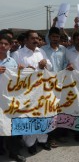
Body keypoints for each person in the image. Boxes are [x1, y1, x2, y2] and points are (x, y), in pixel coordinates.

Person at [12, 30, 52, 155]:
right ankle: (30, 143)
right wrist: (23, 70)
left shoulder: (41, 52)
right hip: (26, 92)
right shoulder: (18, 54)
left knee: (43, 115)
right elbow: (13, 74)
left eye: (37, 38)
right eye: (33, 38)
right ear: (26, 40)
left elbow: (50, 67)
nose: (36, 40)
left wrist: (46, 63)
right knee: (29, 117)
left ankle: (42, 140)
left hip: (42, 90)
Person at [0, 34, 26, 162]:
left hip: (9, 99)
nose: (3, 46)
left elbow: (17, 80)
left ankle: (13, 153)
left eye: (6, 44)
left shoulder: (12, 61)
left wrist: (20, 71)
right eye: (1, 43)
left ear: (10, 46)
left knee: (11, 126)